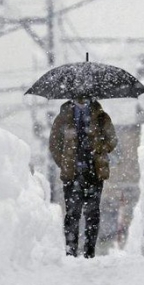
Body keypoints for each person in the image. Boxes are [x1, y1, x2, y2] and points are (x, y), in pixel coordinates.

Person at [49, 98, 117, 258]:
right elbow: (54, 144)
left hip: (94, 171)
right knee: (72, 213)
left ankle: (89, 252)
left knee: (92, 213)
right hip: (72, 174)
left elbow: (112, 141)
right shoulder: (63, 118)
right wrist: (65, 162)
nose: (82, 95)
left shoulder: (102, 117)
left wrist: (100, 147)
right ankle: (71, 251)